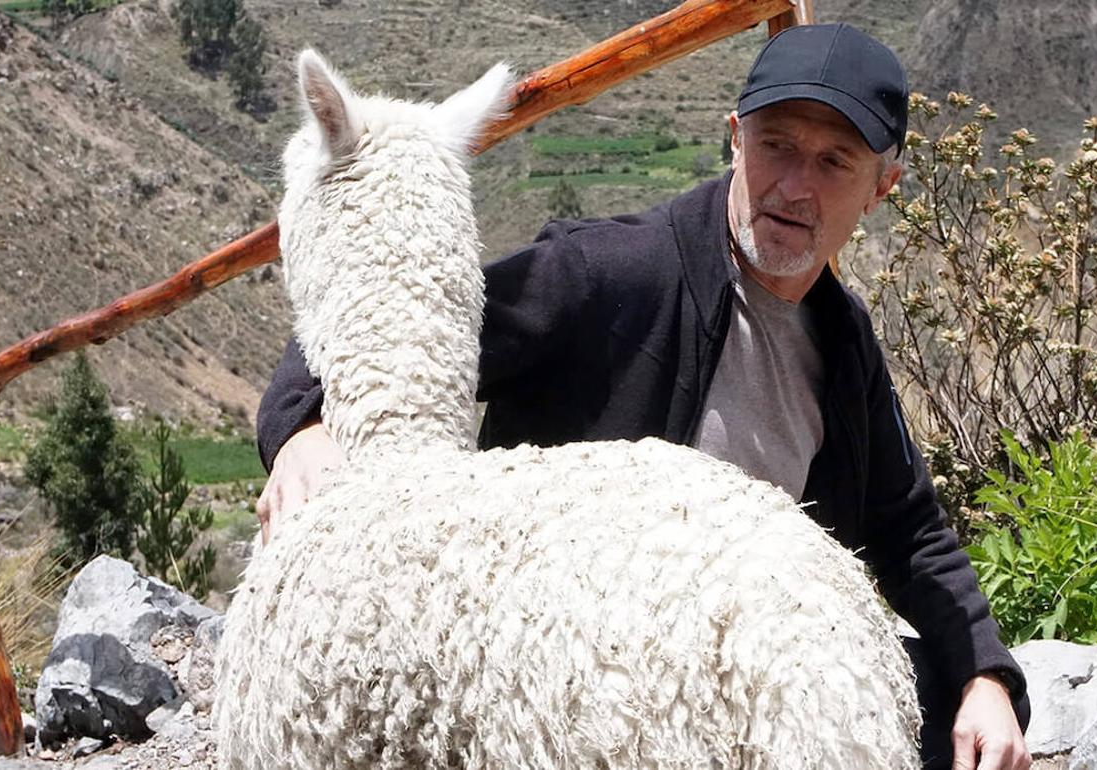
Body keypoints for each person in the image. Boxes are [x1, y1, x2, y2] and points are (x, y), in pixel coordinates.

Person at [252, 23, 1031, 770]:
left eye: (833, 162)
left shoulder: (841, 339)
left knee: (943, 712)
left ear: (880, 188)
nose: (795, 186)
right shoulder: (610, 272)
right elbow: (404, 307)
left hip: (744, 660)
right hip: (562, 676)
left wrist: (986, 678)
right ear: (735, 138)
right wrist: (300, 427)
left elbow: (908, 529)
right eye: (777, 146)